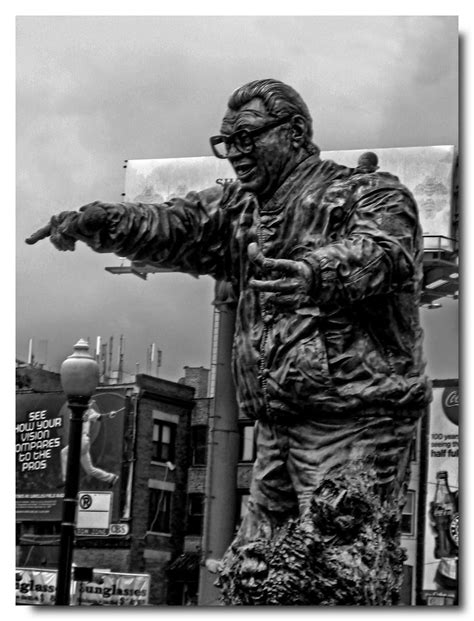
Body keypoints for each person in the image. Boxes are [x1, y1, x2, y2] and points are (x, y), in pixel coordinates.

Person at [27, 79, 431, 604]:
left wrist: (316, 272)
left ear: (295, 132)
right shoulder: (238, 208)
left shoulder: (367, 194)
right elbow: (176, 225)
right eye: (225, 142)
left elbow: (385, 252)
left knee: (335, 565)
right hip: (278, 423)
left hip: (356, 420)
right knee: (258, 567)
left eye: (246, 137)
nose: (235, 153)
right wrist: (105, 222)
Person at [60, 403, 119, 488]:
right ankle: (111, 478)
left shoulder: (90, 411)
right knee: (89, 470)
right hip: (82, 441)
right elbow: (80, 419)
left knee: (64, 452)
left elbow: (100, 417)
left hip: (82, 439)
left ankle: (66, 480)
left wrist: (110, 414)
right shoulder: (75, 412)